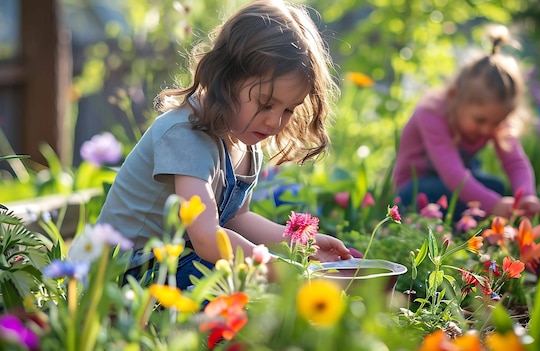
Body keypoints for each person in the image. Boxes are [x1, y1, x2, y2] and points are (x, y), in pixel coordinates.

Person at [96, 0, 353, 289]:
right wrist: (275, 269)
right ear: (227, 78)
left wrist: (298, 243)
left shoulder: (246, 140)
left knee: (250, 289)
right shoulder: (186, 134)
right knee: (245, 291)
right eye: (266, 104)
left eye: (288, 110)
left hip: (181, 259)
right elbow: (207, 239)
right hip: (130, 272)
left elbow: (236, 220)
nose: (274, 122)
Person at [392, 25, 540, 221]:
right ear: (456, 97)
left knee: (496, 187)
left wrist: (526, 197)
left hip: (452, 186)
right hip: (414, 190)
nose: (488, 129)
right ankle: (451, 237)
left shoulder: (492, 118)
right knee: (485, 198)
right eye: (480, 120)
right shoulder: (431, 113)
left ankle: (471, 241)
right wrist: (494, 205)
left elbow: (515, 163)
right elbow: (453, 175)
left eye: (497, 122)